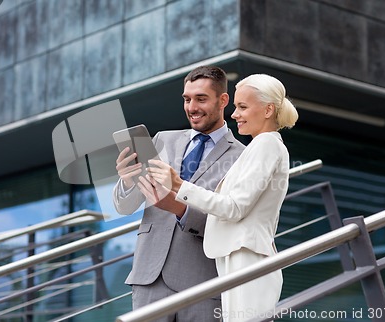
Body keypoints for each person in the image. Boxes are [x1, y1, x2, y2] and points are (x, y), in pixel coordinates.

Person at [141, 74, 298, 321]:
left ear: (268, 110)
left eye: (243, 107)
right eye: (236, 107)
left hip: (246, 258)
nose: (234, 114)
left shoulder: (265, 144)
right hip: (237, 256)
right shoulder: (261, 146)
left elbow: (234, 207)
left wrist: (178, 185)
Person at [113, 66, 245, 321]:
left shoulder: (242, 157)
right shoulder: (162, 139)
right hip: (148, 279)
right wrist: (127, 181)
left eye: (201, 99)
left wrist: (179, 208)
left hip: (202, 284)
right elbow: (125, 207)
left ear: (223, 100)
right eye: (187, 99)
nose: (191, 107)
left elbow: (232, 220)